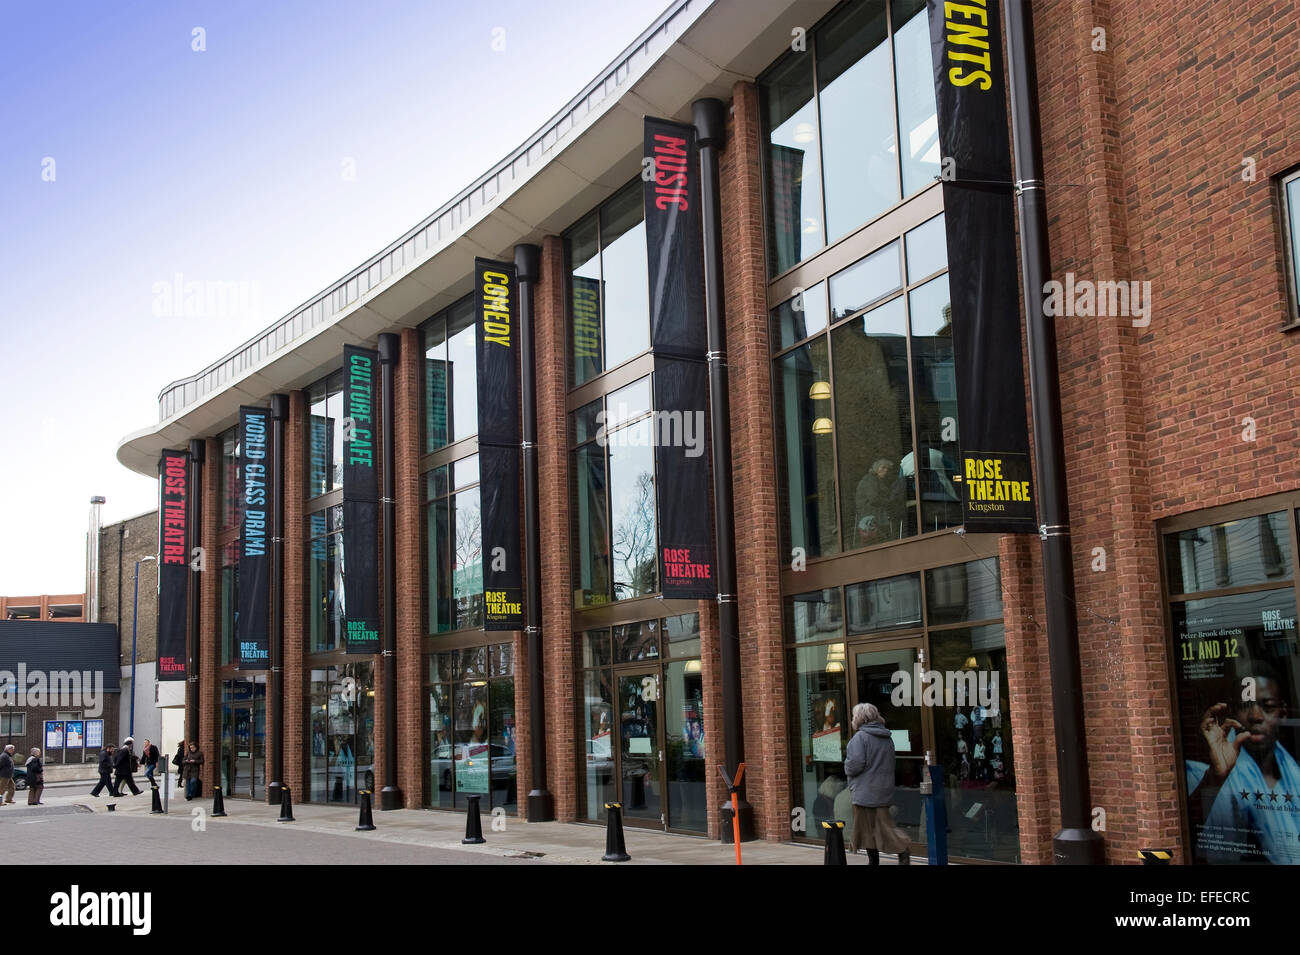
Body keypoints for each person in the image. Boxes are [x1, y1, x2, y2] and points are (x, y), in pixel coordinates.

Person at [1187, 666, 1300, 865]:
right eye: (1246, 705)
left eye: (1268, 706)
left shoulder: (1294, 775)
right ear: (1233, 713)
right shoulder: (1199, 774)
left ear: (1283, 712)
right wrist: (1214, 778)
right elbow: (1183, 831)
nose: (1256, 716)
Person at [842, 702, 911, 865]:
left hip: (865, 791)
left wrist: (846, 766)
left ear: (860, 718)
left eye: (854, 716)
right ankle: (875, 860)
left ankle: (901, 849)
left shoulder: (859, 738)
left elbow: (854, 765)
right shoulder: (886, 737)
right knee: (875, 827)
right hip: (883, 788)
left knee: (872, 829)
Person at [853, 458, 906, 545]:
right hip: (870, 511)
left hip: (877, 509)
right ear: (876, 468)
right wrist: (889, 502)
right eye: (883, 468)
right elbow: (874, 499)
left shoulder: (879, 481)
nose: (886, 470)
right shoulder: (870, 479)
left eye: (887, 469)